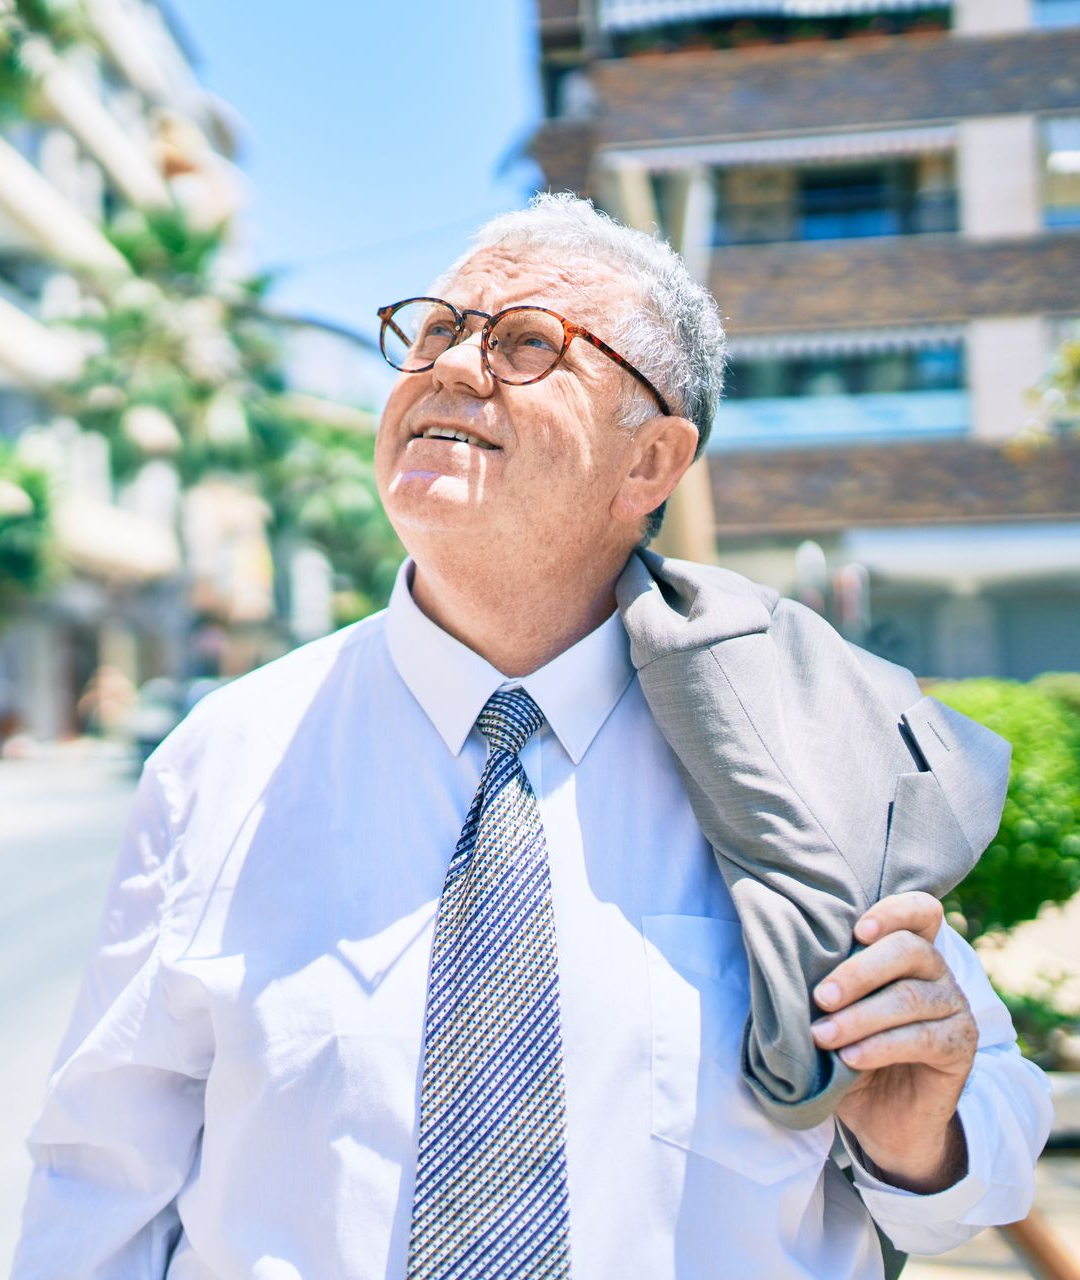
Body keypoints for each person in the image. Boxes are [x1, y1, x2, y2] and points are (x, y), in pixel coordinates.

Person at [14, 194, 1051, 1279]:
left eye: (525, 343)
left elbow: (982, 1129)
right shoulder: (226, 753)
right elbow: (102, 1175)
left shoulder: (798, 742)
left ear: (650, 463)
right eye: (435, 330)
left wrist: (921, 1140)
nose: (452, 368)